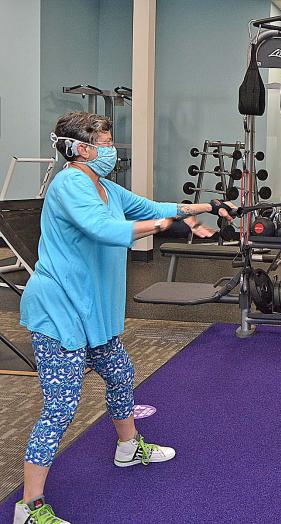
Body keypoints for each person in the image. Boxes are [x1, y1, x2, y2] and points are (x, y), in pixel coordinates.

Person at [14, 111, 239, 524]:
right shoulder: (69, 185)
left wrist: (208, 205)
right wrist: (163, 226)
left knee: (120, 374)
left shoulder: (104, 186)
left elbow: (151, 204)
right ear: (82, 149)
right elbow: (102, 229)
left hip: (92, 311)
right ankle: (29, 507)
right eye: (105, 141)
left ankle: (128, 448)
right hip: (61, 311)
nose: (111, 149)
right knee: (61, 408)